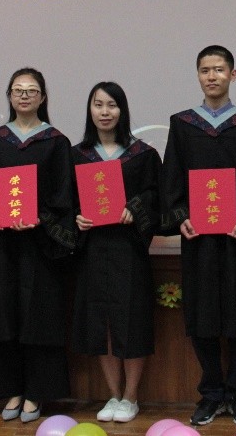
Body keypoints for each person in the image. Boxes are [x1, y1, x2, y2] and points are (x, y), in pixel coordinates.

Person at [160, 45, 236, 428]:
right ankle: (211, 393)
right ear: (198, 75)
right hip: (198, 239)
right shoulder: (183, 125)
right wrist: (180, 217)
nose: (212, 76)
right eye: (205, 70)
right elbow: (171, 181)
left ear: (232, 75)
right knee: (202, 316)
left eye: (219, 69)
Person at [0, 68, 76, 424]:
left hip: (39, 248)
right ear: (9, 96)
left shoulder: (56, 142)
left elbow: (64, 195)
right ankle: (12, 389)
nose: (24, 95)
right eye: (18, 90)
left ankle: (36, 392)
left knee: (38, 319)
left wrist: (42, 219)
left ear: (42, 98)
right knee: (4, 316)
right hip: (2, 247)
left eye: (31, 90)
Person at [71, 82, 159, 425]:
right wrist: (76, 217)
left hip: (128, 250)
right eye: (98, 105)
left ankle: (131, 396)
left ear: (122, 110)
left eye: (112, 105)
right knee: (103, 322)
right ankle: (113, 393)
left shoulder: (142, 155)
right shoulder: (77, 155)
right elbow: (64, 201)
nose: (105, 112)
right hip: (93, 250)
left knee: (131, 321)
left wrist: (136, 208)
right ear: (90, 110)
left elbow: (156, 196)